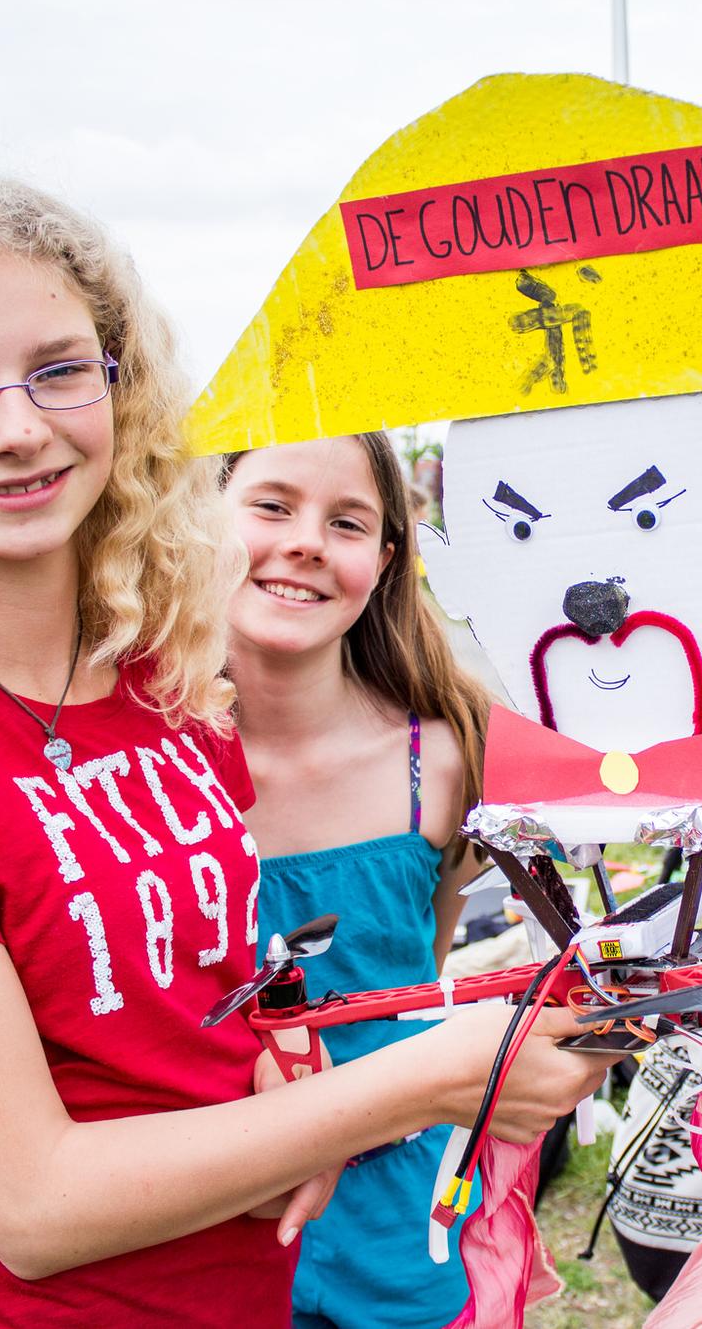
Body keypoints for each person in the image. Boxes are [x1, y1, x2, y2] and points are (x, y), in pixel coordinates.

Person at [0, 174, 604, 1323]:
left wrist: (284, 1074)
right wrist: (419, 1079)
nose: (17, 428)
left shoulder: (163, 678)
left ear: (116, 384)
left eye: (58, 370)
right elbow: (31, 1203)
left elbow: (200, 1005)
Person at [222, 432, 493, 1329]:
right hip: (213, 1199)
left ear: (383, 560)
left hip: (401, 1211)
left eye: (346, 522)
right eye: (271, 505)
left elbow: (424, 975)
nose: (305, 541)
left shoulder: (443, 756)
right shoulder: (138, 761)